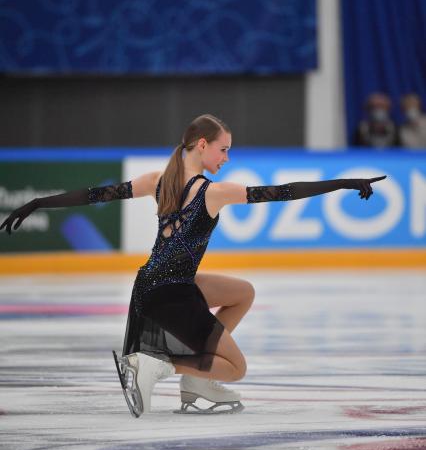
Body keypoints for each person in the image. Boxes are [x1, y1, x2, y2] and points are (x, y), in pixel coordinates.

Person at [0, 113, 386, 416]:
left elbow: (93, 194)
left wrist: (38, 202)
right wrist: (344, 183)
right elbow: (283, 193)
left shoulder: (158, 180)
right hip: (173, 295)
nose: (227, 158)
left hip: (152, 287)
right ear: (203, 145)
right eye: (224, 149)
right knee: (236, 369)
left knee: (243, 293)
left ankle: (198, 381)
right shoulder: (214, 192)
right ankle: (162, 365)